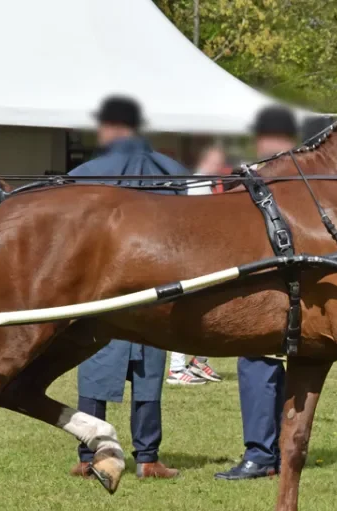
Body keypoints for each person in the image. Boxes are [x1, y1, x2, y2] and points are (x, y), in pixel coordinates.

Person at [69, 95, 184, 480]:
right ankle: (147, 458)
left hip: (104, 286)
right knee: (149, 371)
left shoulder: (86, 173)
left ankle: (89, 458)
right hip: (154, 285)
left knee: (94, 367)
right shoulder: (173, 172)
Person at [215, 105, 298, 481]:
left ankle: (261, 455)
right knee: (272, 370)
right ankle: (275, 451)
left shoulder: (273, 175)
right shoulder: (296, 171)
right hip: (285, 284)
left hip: (268, 284)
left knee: (257, 366)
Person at [166, 144, 226, 385]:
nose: (220, 164)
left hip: (206, 254)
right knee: (188, 309)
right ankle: (176, 369)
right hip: (194, 257)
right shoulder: (198, 183)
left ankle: (199, 362)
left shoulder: (209, 182)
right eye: (216, 160)